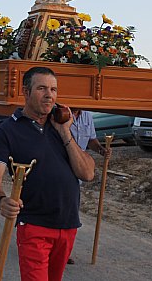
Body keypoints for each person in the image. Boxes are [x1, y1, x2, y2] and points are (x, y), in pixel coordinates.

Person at [0, 67, 95, 281]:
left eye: (53, 89)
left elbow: (87, 173)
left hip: (68, 223)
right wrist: (1, 200)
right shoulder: (7, 130)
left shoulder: (61, 127)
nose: (49, 95)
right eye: (42, 88)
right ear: (26, 92)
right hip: (34, 224)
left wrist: (64, 132)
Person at [66, 108, 111, 265]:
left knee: (71, 211)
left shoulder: (87, 116)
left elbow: (91, 140)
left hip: (78, 171)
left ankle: (64, 251)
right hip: (61, 168)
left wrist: (101, 150)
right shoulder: (60, 114)